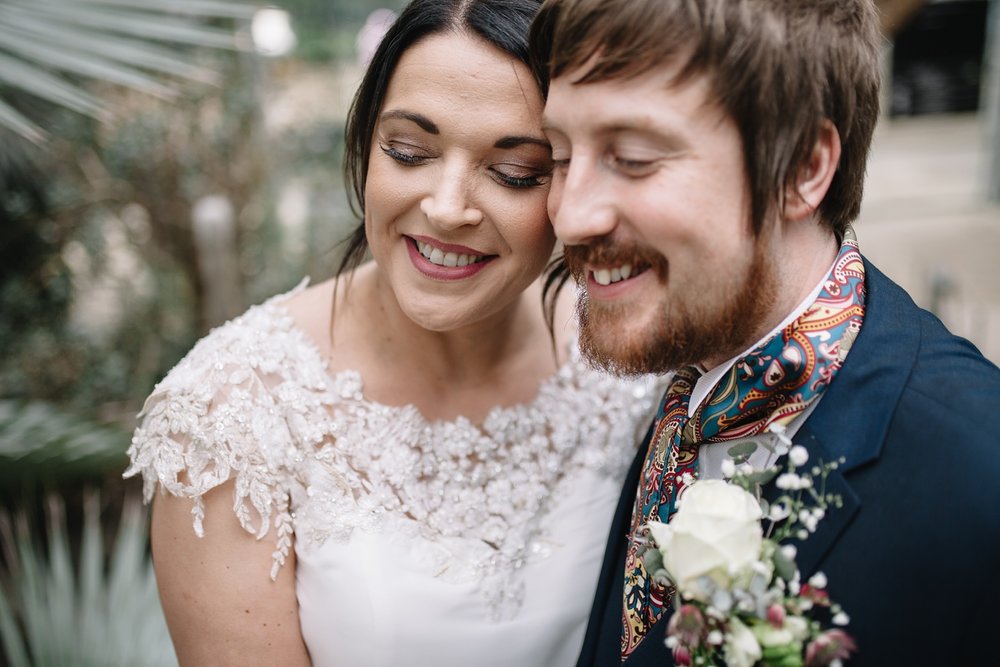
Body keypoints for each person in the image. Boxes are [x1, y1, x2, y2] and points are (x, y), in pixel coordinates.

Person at [124, 1, 661, 665]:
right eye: (409, 151)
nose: (446, 207)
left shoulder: (633, 360)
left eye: (513, 171)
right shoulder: (227, 420)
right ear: (365, 143)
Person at [529, 0, 1000, 665]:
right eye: (557, 155)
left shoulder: (981, 479)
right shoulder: (681, 376)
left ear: (804, 166)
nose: (570, 215)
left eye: (631, 157)